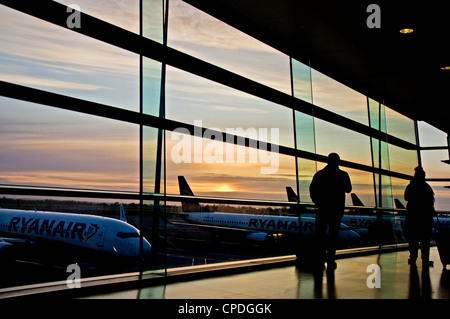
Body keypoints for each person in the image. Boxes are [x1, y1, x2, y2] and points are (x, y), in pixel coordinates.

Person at [309, 153, 352, 270]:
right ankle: (331, 259)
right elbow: (348, 189)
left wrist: (318, 202)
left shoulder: (320, 174)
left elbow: (312, 190)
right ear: (338, 162)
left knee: (320, 235)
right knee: (333, 235)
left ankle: (319, 259)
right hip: (337, 209)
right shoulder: (343, 175)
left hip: (323, 208)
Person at [404, 166, 436, 267]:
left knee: (413, 240)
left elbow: (406, 197)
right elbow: (430, 202)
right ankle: (425, 259)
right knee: (425, 241)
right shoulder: (427, 187)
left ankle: (413, 258)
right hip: (425, 218)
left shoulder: (411, 186)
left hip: (413, 217)